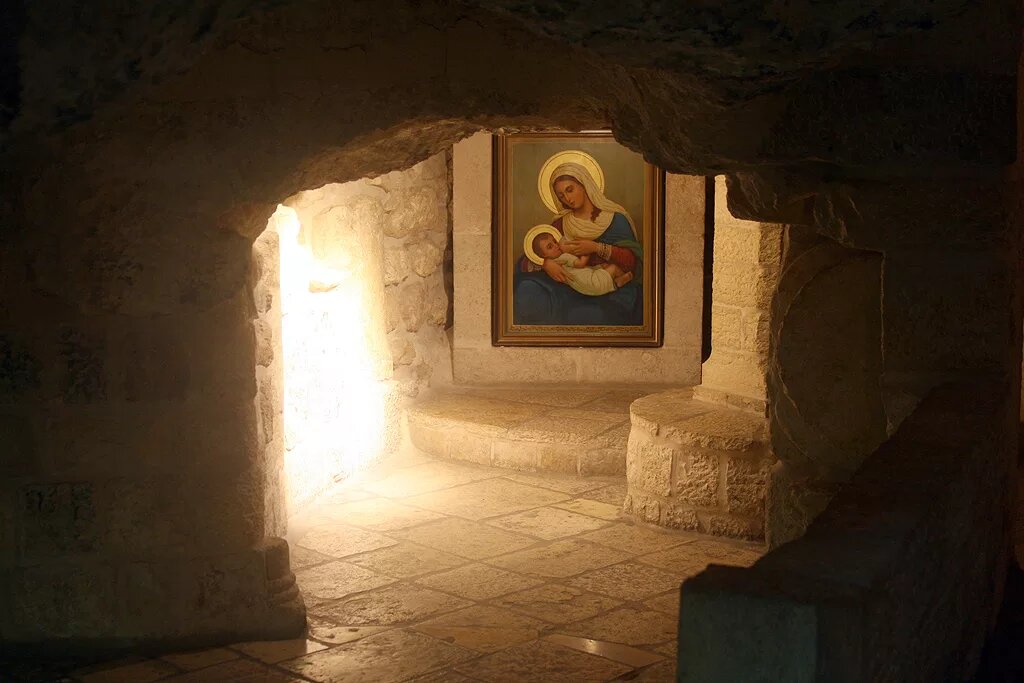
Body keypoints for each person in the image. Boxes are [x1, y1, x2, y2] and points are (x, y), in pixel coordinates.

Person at [514, 160, 643, 325]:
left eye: (570, 190)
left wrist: (596, 247)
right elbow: (531, 256)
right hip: (571, 287)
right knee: (526, 288)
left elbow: (633, 263)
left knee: (592, 314)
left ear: (584, 184)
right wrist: (546, 263)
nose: (567, 198)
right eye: (561, 195)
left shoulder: (615, 219)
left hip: (608, 289)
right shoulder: (560, 223)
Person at [529, 230, 633, 296]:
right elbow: (580, 264)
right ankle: (622, 278)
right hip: (591, 282)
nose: (556, 246)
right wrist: (587, 251)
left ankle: (616, 282)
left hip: (584, 287)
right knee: (613, 268)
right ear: (544, 255)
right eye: (550, 247)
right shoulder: (563, 257)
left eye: (555, 242)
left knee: (604, 266)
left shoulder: (556, 260)